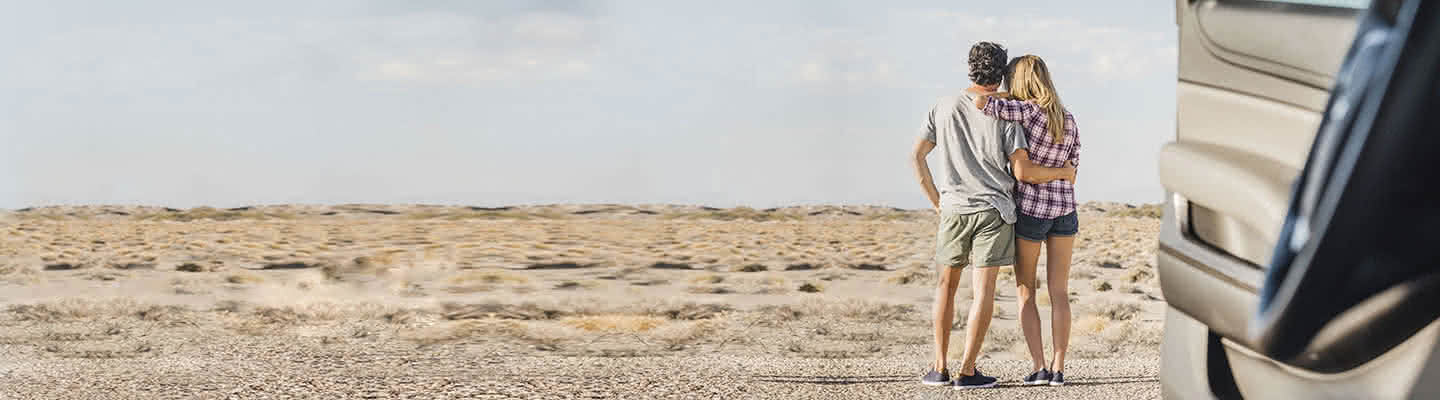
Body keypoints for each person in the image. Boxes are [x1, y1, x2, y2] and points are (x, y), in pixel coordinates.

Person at [911, 42, 1076, 390]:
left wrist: (936, 200)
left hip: (957, 209)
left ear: (969, 68)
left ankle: (940, 367)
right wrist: (1062, 173)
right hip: (1000, 210)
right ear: (1000, 73)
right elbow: (1024, 168)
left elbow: (917, 156)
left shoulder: (943, 107)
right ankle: (969, 370)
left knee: (948, 286)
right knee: (986, 292)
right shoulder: (1016, 114)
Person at [974, 54, 1081, 387]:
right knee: (1060, 293)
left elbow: (980, 101)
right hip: (1064, 210)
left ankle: (1039, 366)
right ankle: (1059, 368)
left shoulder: (1026, 111)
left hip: (1032, 212)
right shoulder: (1068, 118)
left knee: (1026, 292)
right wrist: (1059, 173)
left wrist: (1007, 95)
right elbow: (1073, 170)